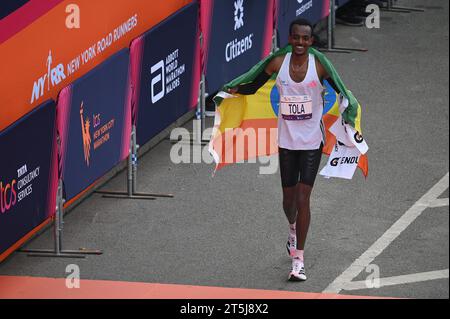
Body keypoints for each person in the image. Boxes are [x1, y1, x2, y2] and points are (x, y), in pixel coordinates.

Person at [228, 18, 342, 281]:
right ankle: (292, 229)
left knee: (303, 199)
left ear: (311, 41)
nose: (300, 42)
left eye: (305, 38)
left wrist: (349, 109)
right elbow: (253, 85)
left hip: (312, 142)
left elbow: (340, 89)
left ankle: (299, 260)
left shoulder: (320, 66)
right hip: (287, 143)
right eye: (296, 38)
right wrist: (231, 91)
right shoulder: (278, 63)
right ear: (289, 39)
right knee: (289, 202)